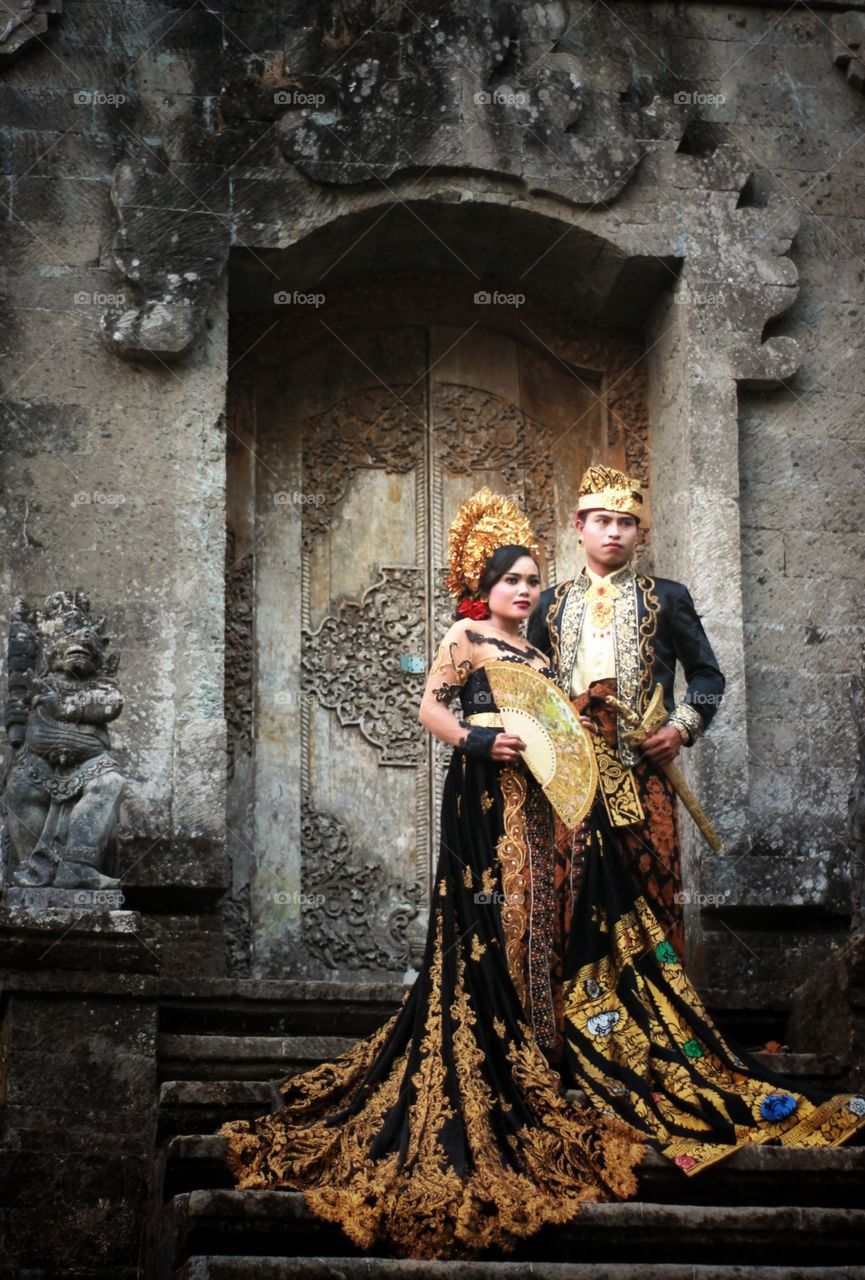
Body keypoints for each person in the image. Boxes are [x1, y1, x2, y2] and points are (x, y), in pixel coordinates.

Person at [217, 488, 646, 1260]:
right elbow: (429, 707)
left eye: (532, 580)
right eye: (511, 580)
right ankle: (487, 1042)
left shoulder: (540, 656)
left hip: (538, 806)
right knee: (487, 915)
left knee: (530, 916)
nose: (523, 590)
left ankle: (530, 1039)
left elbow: (552, 732)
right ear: (486, 589)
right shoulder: (466, 637)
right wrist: (478, 743)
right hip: (484, 800)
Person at [529, 464, 865, 1172]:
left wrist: (680, 727)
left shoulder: (665, 597)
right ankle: (569, 1045)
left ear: (637, 534)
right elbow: (528, 686)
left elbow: (708, 676)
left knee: (648, 899)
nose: (614, 532)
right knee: (565, 897)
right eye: (601, 521)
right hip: (566, 780)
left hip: (643, 781)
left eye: (626, 523)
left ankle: (655, 1043)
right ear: (578, 527)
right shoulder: (549, 606)